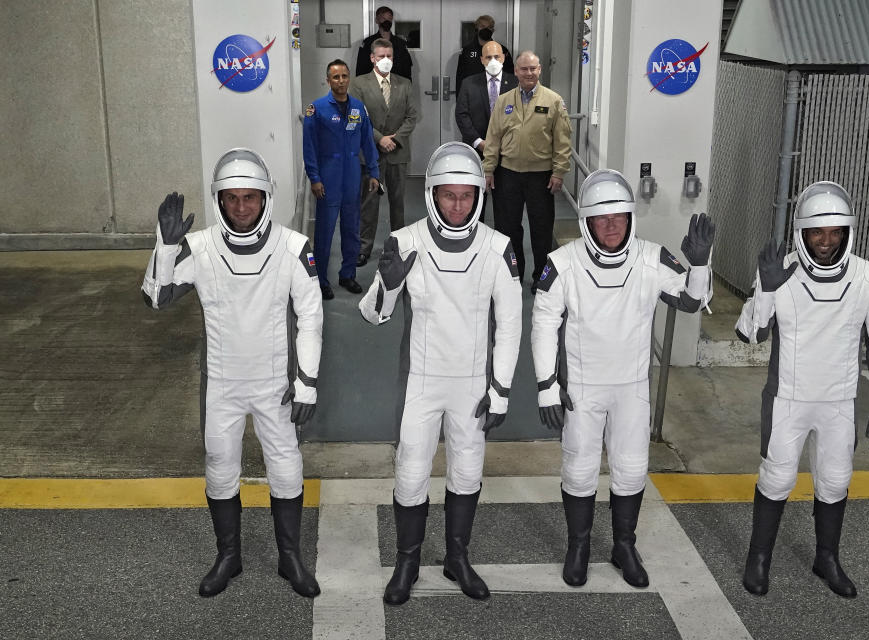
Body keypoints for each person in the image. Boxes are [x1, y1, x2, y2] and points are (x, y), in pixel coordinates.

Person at [141, 148, 323, 599]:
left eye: (250, 198)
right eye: (231, 199)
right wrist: (164, 247)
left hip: (276, 384)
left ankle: (290, 558)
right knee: (221, 470)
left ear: (266, 198)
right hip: (221, 383)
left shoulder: (293, 247)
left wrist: (307, 382)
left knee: (286, 470)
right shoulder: (199, 247)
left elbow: (312, 317)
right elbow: (156, 299)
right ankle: (228, 556)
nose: (241, 208)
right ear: (219, 200)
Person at [531, 169, 715, 589]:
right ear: (587, 221)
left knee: (631, 470)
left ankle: (623, 545)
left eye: (619, 217)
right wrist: (547, 386)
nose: (611, 225)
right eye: (601, 218)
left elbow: (689, 300)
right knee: (578, 471)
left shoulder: (652, 257)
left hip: (631, 387)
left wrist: (699, 264)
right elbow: (543, 324)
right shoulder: (563, 263)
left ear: (631, 217)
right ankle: (578, 546)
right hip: (581, 387)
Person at [359, 142, 522, 606]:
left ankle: (457, 558)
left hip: (473, 384)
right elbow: (373, 315)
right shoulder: (406, 240)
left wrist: (501, 389)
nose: (457, 205)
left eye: (466, 195)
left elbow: (510, 324)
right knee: (410, 472)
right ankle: (406, 563)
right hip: (423, 382)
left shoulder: (498, 247)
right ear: (431, 194)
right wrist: (388, 286)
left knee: (467, 473)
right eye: (448, 195)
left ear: (478, 196)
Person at [735, 181, 869, 599]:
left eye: (835, 232)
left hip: (838, 400)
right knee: (776, 479)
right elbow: (749, 334)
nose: (826, 242)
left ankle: (827, 558)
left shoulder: (866, 276)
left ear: (848, 231)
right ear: (801, 232)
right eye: (817, 233)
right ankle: (759, 559)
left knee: (836, 481)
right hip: (787, 398)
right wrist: (766, 291)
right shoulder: (779, 269)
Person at [483, 50, 572, 294]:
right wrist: (488, 169)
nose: (529, 73)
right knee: (507, 229)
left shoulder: (554, 101)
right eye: (524, 69)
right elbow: (493, 139)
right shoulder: (504, 101)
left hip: (541, 177)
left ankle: (542, 278)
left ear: (540, 70)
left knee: (541, 230)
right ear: (516, 72)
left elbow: (562, 141)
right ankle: (512, 276)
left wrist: (559, 172)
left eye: (533, 68)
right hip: (507, 174)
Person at [303, 59, 380, 299]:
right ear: (328, 81)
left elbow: (368, 141)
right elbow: (309, 147)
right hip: (328, 177)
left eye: (344, 76)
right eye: (335, 77)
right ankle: (321, 280)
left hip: (352, 177)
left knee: (352, 228)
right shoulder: (316, 109)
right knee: (324, 232)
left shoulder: (358, 108)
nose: (341, 81)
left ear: (349, 78)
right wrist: (314, 177)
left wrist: (374, 172)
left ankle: (347, 275)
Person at [350, 39, 420, 267]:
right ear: (372, 58)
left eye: (389, 56)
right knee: (368, 203)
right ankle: (363, 248)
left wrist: (395, 140)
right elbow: (358, 118)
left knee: (398, 203)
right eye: (381, 56)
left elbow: (412, 117)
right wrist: (380, 139)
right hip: (371, 152)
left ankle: (397, 245)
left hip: (398, 152)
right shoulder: (359, 84)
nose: (385, 60)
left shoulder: (404, 83)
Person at [454, 40, 518, 223]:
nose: (493, 61)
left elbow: (520, 119)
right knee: (476, 204)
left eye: (496, 57)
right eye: (488, 57)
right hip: (476, 152)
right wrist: (478, 142)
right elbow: (462, 115)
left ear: (503, 58)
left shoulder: (515, 83)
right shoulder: (468, 83)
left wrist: (504, 144)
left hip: (508, 154)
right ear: (482, 60)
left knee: (505, 208)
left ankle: (503, 245)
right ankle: (476, 242)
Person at [455, 14, 514, 91]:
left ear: (492, 30)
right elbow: (460, 78)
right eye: (482, 26)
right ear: (477, 28)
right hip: (473, 96)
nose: (486, 29)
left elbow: (510, 76)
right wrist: (460, 100)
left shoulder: (502, 50)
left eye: (489, 27)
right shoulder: (467, 51)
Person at [356, 6, 413, 81]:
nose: (387, 21)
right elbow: (361, 69)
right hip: (373, 86)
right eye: (383, 19)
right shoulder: (368, 43)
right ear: (377, 20)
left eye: (389, 19)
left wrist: (407, 88)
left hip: (397, 86)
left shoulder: (400, 43)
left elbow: (407, 69)